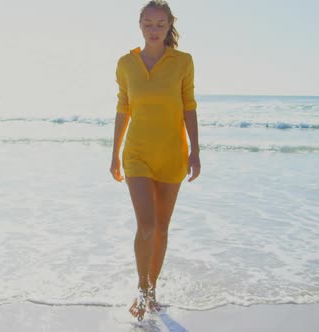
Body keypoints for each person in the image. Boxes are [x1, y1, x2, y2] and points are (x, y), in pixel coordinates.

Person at [109, 0, 201, 321]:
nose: (153, 30)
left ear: (169, 26)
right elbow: (124, 108)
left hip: (172, 154)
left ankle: (153, 290)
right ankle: (142, 288)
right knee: (146, 226)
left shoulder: (183, 62)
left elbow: (189, 106)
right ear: (140, 25)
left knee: (161, 227)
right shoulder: (125, 63)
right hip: (136, 154)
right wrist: (114, 155)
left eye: (160, 24)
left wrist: (195, 151)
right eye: (148, 23)